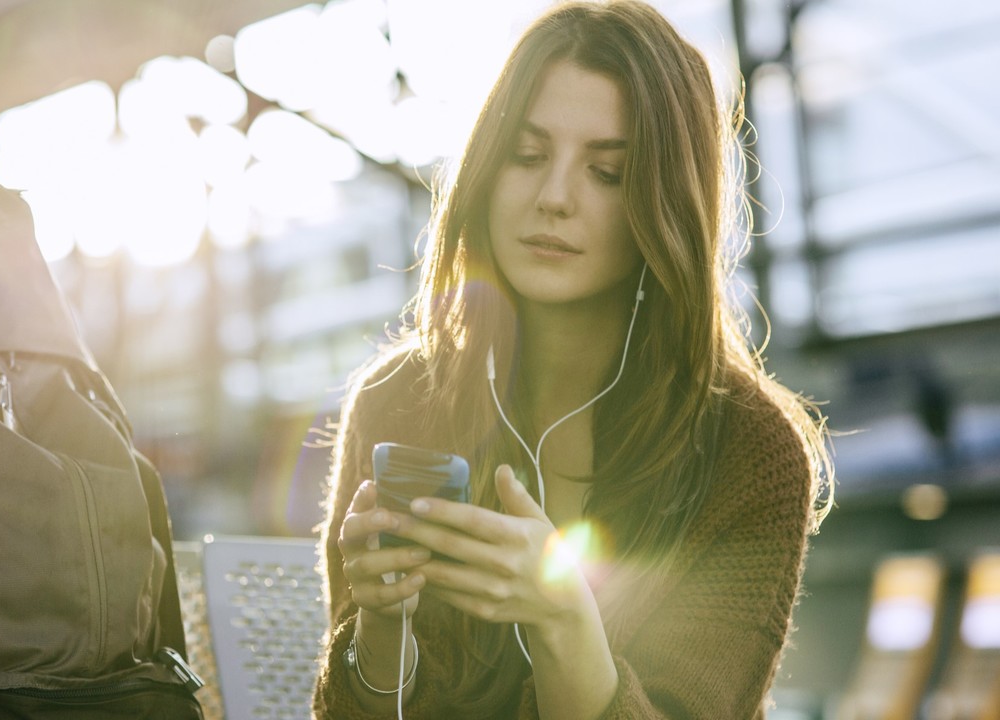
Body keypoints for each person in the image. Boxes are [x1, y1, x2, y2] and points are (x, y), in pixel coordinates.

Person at [312, 1, 834, 718]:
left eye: (608, 173)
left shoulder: (749, 451)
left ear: (665, 202)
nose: (553, 198)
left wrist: (563, 619)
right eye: (526, 157)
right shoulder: (398, 400)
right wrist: (378, 624)